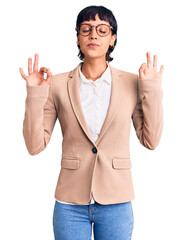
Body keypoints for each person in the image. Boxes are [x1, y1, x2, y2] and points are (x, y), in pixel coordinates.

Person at [19, 5, 164, 240]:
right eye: (86, 29)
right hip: (70, 204)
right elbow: (35, 146)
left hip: (117, 201)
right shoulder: (55, 84)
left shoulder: (132, 82)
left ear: (113, 38)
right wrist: (35, 94)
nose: (93, 35)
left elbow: (151, 140)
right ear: (77, 38)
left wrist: (152, 89)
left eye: (102, 29)